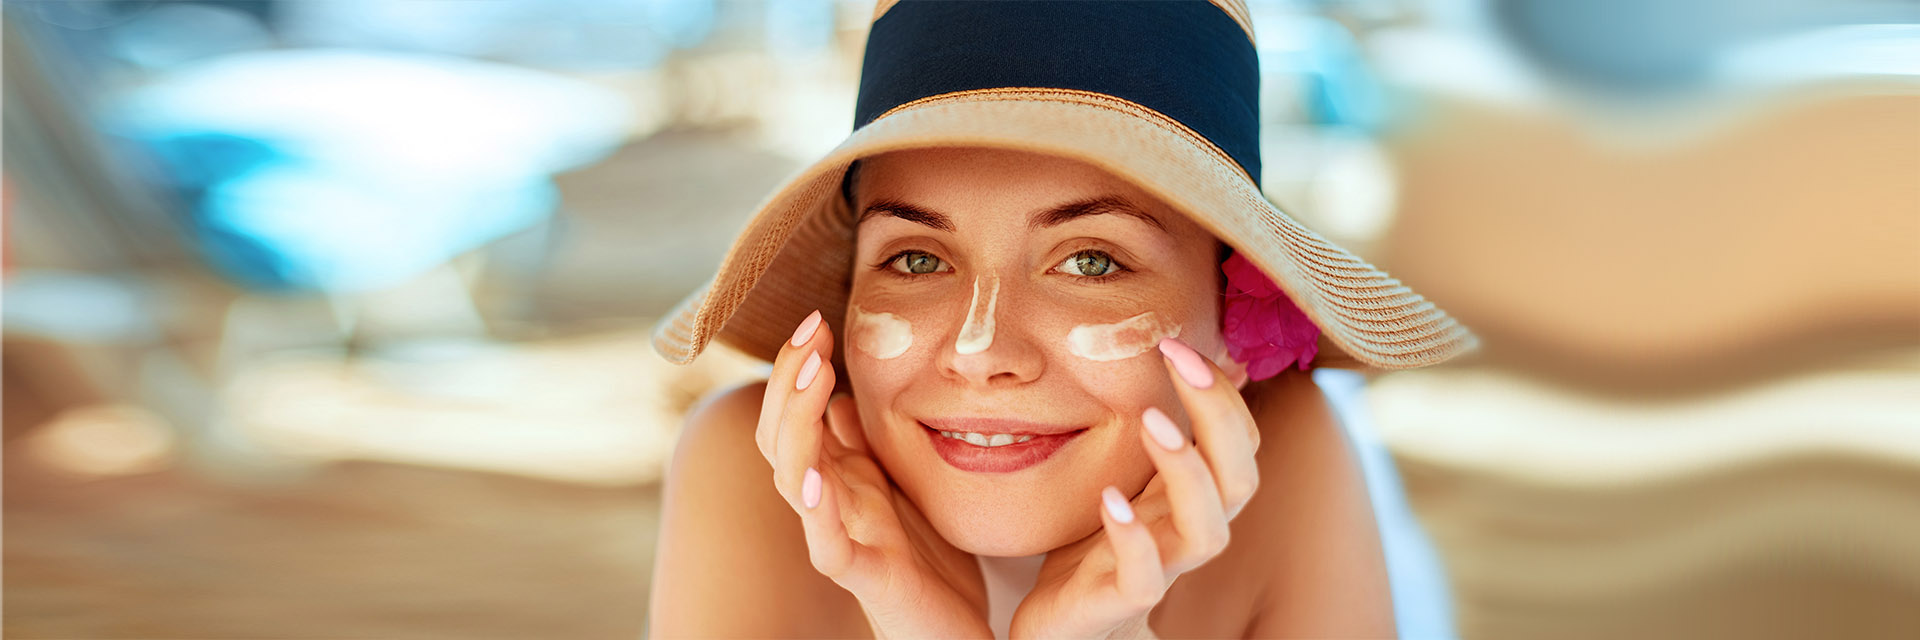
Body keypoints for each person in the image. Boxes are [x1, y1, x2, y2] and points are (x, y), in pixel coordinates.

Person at [648, 2, 1476, 638]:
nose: (980, 353)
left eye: (1091, 261)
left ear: (1233, 318)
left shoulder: (1296, 457)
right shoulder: (751, 472)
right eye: (917, 259)